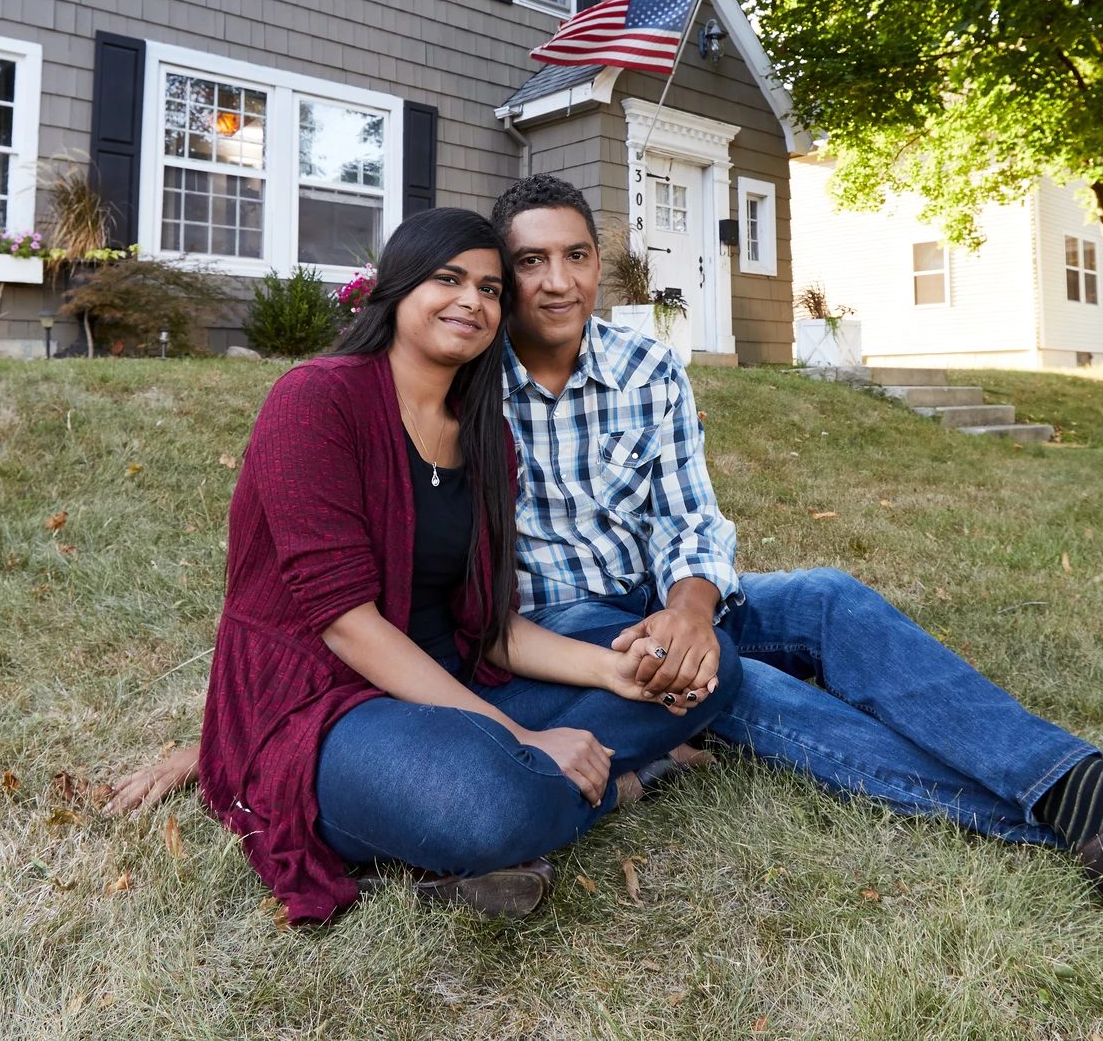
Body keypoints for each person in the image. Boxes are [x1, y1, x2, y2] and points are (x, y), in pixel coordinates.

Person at [117, 178, 1103, 933]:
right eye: (486, 272)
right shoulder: (374, 400)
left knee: (821, 606)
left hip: (607, 626)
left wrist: (688, 611)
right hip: (520, 655)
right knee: (728, 692)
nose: (513, 290)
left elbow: (658, 533)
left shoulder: (567, 392)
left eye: (542, 263)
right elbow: (334, 617)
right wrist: (224, 733)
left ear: (598, 266)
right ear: (399, 289)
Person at [171, 206, 739, 924]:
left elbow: (491, 628)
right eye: (449, 278)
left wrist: (613, 671)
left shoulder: (485, 438)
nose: (473, 300)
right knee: (491, 803)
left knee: (704, 677)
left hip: (459, 685)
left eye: (492, 288)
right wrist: (525, 739)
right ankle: (621, 785)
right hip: (322, 710)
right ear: (399, 288)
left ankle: (500, 811)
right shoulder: (316, 401)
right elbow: (347, 627)